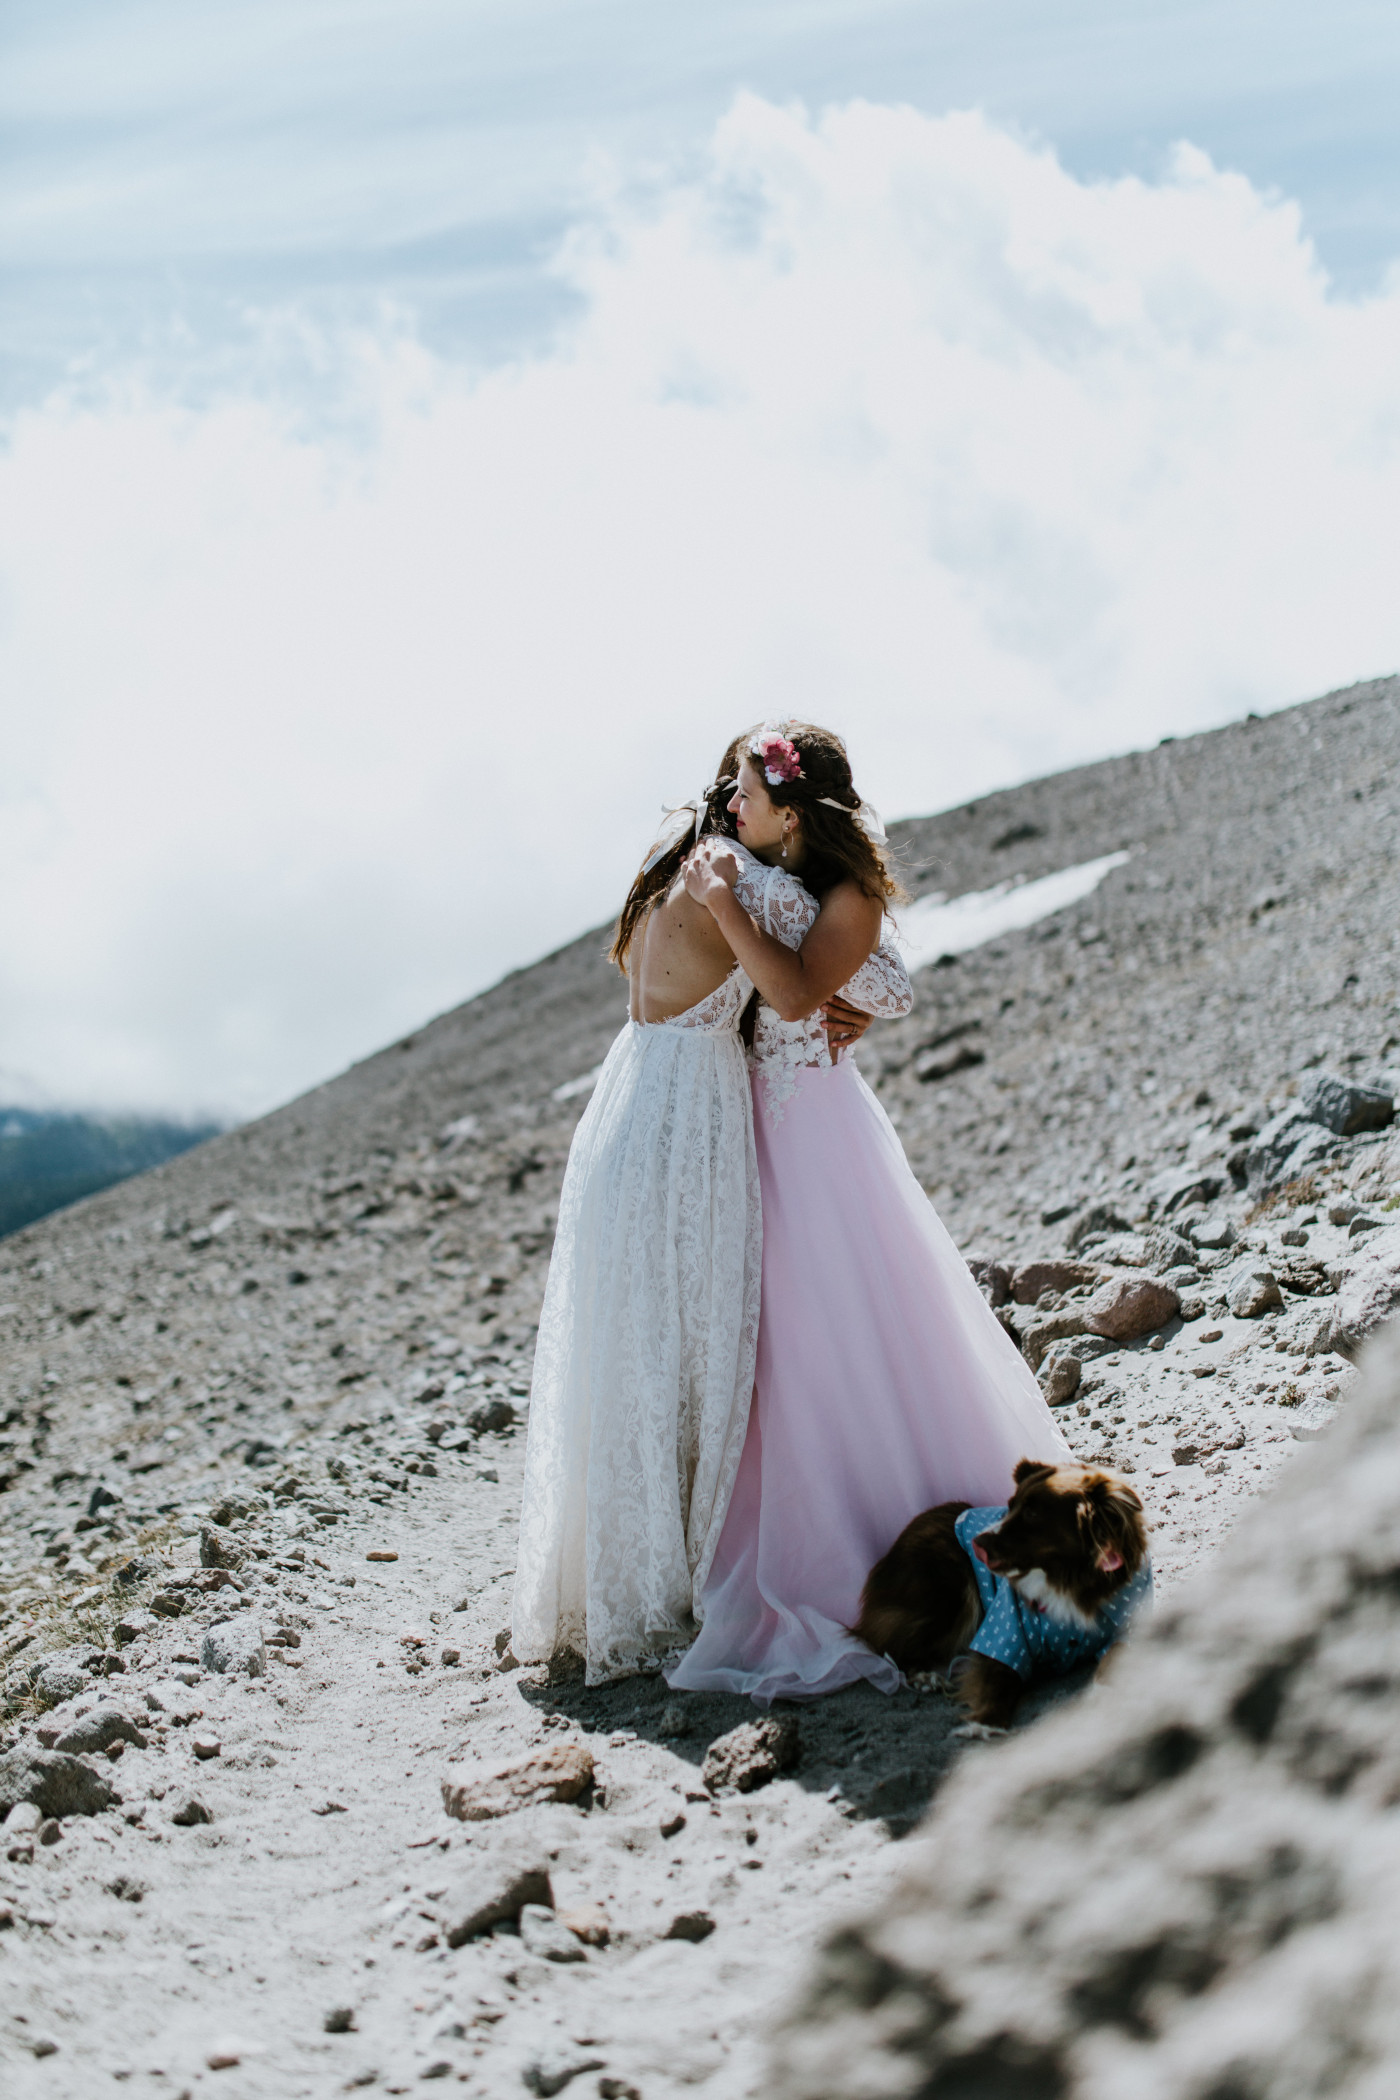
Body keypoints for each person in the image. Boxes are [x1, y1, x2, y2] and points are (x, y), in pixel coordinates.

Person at [667, 720, 1074, 1705]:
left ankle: (862, 1542)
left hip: (815, 1137)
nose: (728, 805)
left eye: (746, 793)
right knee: (774, 1334)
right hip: (745, 1128)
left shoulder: (839, 890)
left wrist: (738, 913)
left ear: (795, 812)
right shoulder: (776, 877)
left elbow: (838, 984)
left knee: (822, 1326)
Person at [511, 749, 909, 1685]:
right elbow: (860, 980)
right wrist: (848, 1003)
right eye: (735, 789)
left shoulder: (667, 855)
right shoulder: (749, 885)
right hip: (691, 1121)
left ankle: (607, 1584)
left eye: (750, 787)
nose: (736, 801)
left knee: (630, 1352)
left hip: (626, 1101)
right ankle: (675, 1583)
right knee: (694, 1346)